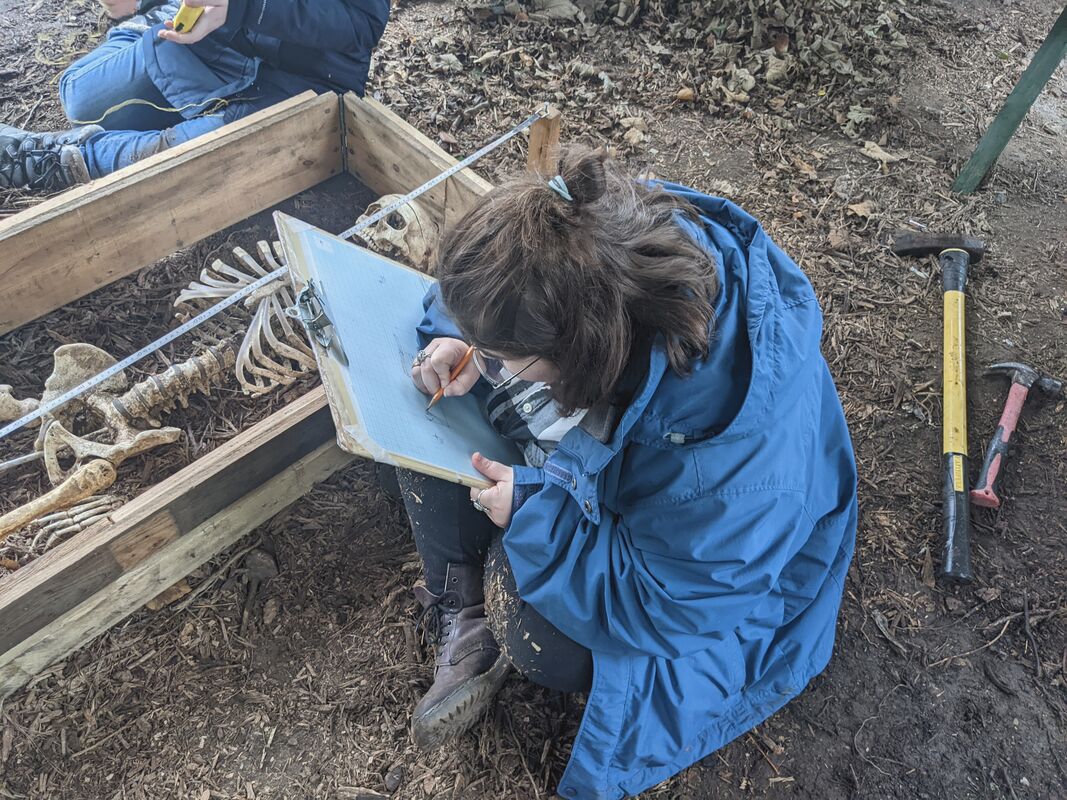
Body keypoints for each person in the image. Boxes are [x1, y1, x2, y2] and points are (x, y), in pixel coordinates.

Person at [387, 147, 858, 799]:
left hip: (705, 583)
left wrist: (533, 513)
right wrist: (458, 343)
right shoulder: (587, 234)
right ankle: (464, 614)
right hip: (634, 467)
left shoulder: (725, 463)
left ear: (575, 353)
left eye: (501, 354)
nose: (489, 360)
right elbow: (495, 293)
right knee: (424, 422)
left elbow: (664, 604)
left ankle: (490, 596)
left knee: (542, 641)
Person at [0, 0, 389, 192]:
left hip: (299, 81)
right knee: (80, 100)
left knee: (193, 156)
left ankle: (58, 157)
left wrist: (244, 6)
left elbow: (361, 26)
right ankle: (144, 27)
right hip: (212, 38)